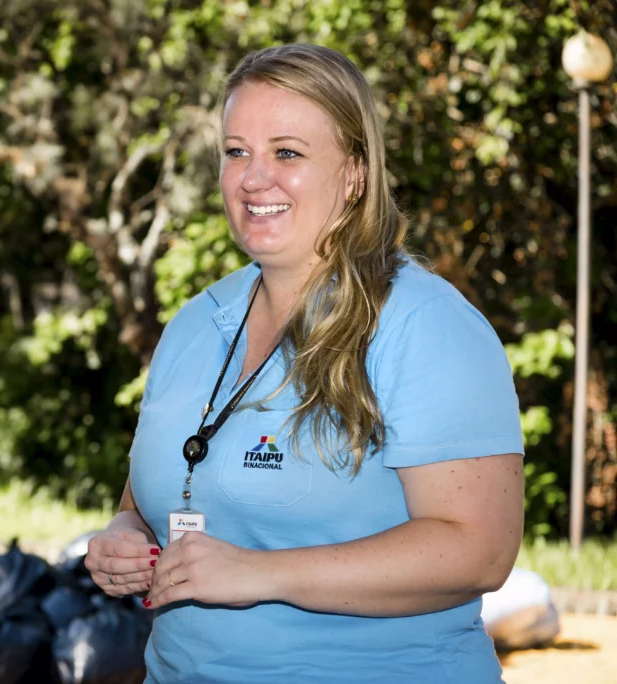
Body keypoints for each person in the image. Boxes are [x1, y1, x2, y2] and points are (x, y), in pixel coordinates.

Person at [83, 43, 525, 683]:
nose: (253, 178)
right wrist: (124, 538)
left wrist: (259, 573)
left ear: (354, 173)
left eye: (287, 153)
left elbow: (478, 550)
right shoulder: (194, 325)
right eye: (237, 152)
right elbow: (151, 496)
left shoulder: (425, 325)